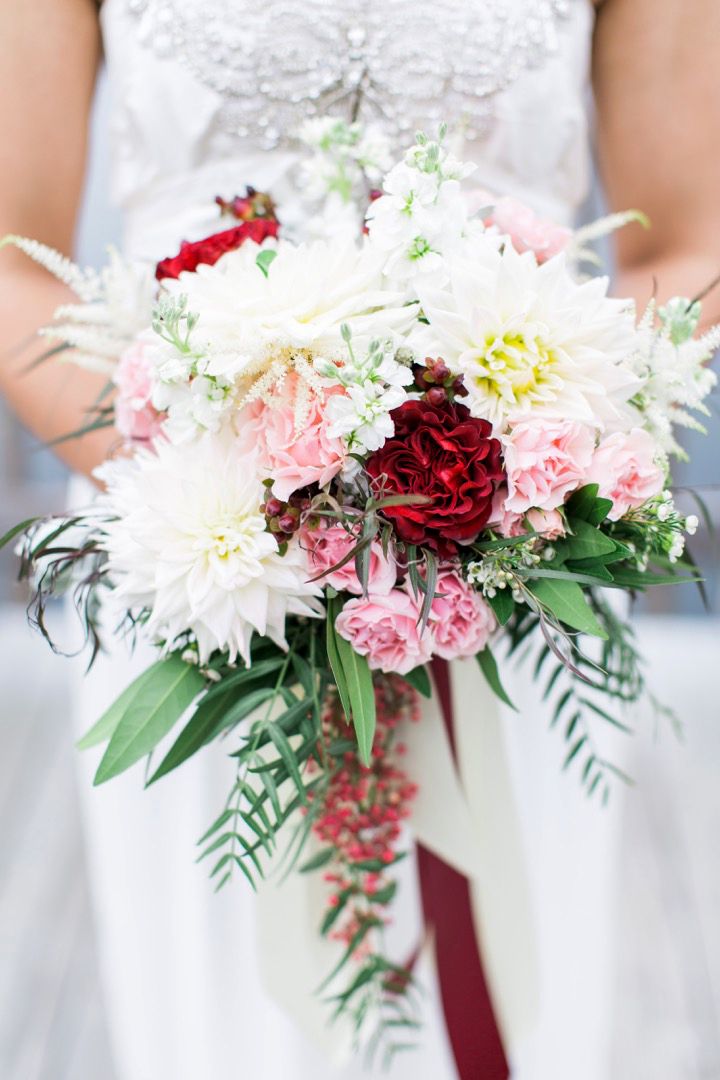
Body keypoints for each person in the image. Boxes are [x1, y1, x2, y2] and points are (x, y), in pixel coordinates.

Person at [0, 2, 718, 1078]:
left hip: (513, 568)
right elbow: (15, 262)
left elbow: (690, 238)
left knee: (516, 993)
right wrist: (230, 486)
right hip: (195, 558)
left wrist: (513, 468)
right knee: (221, 1015)